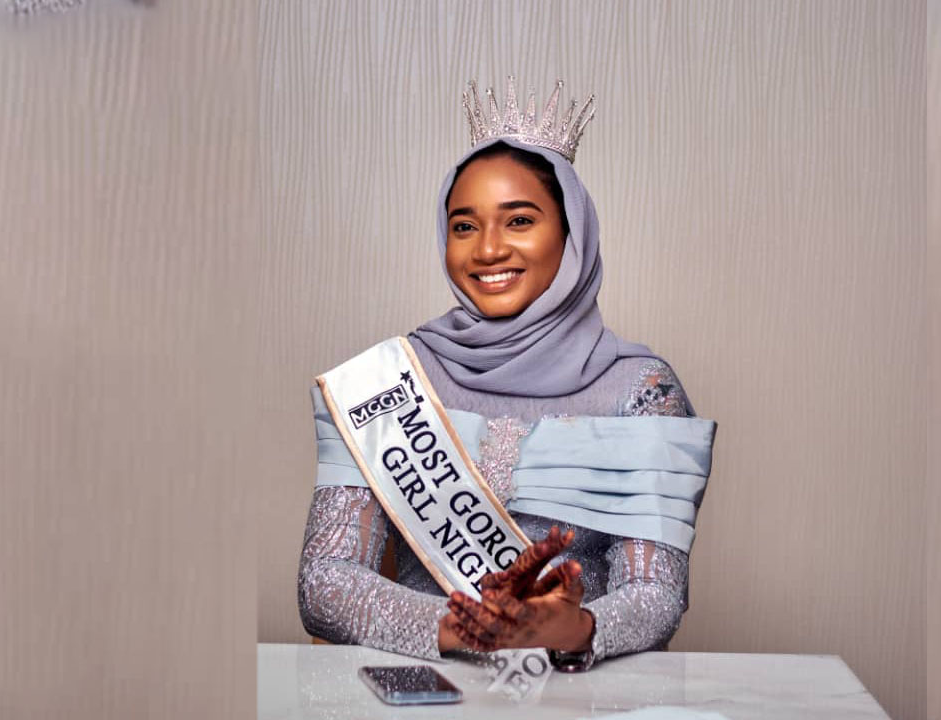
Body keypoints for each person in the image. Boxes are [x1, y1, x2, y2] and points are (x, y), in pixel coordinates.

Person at [297, 78, 715, 671]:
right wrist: (470, 626)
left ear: (571, 232)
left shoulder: (641, 390)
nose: (488, 250)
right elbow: (325, 582)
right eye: (464, 226)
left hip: (577, 694)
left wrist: (574, 628)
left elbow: (655, 594)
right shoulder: (390, 381)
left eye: (518, 221)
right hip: (426, 687)